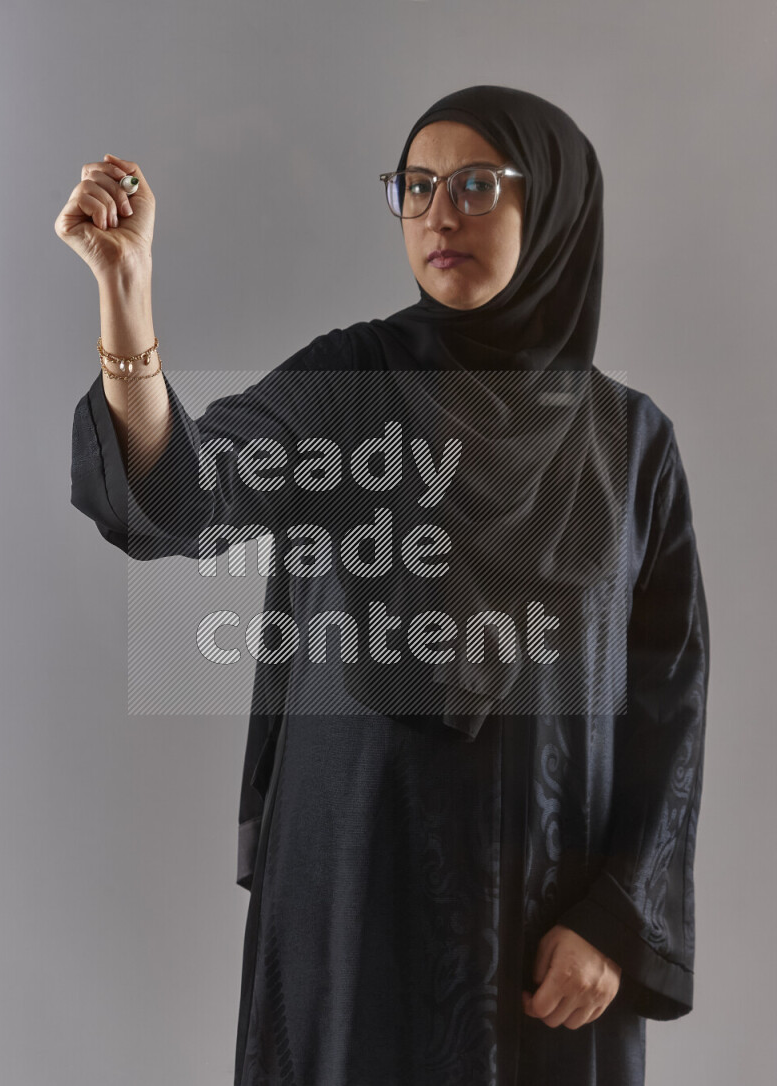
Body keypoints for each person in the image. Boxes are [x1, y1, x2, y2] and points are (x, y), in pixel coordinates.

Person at [57, 86, 710, 1086]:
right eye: (414, 187)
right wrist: (126, 295)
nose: (437, 213)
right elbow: (190, 495)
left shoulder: (627, 446)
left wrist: (616, 919)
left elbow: (667, 705)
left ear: (558, 208)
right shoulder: (349, 386)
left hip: (545, 922)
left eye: (475, 184)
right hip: (354, 893)